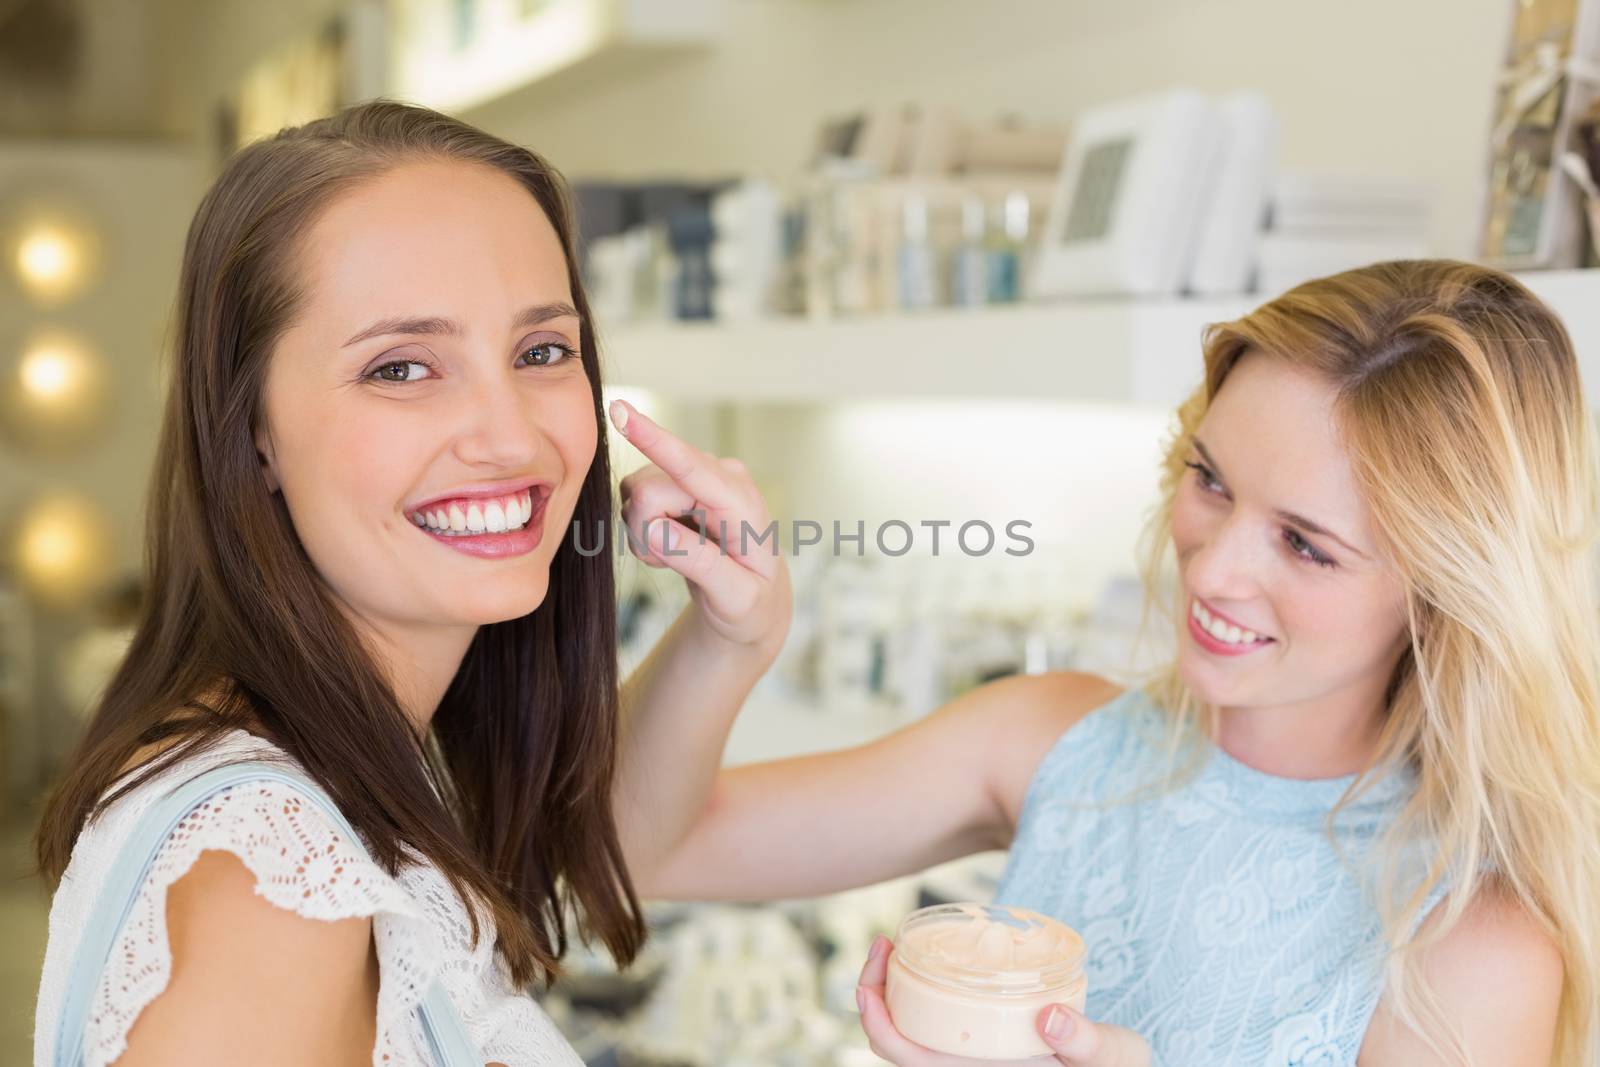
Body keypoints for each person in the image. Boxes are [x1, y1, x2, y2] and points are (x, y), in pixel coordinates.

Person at [613, 261, 1599, 1065]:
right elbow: (641, 846)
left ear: (1444, 589)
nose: (1211, 570)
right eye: (1210, 480)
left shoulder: (1468, 946)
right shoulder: (1053, 739)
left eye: (1304, 543)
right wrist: (729, 636)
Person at [31, 99, 789, 1067]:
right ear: (250, 429)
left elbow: (611, 836)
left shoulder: (371, 766)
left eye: (542, 351)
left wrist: (731, 636)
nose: (513, 437)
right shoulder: (265, 880)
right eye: (401, 367)